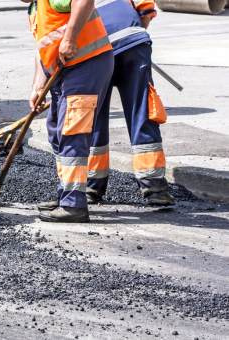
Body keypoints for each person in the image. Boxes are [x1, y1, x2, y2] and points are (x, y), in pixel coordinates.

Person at [24, 0, 114, 222]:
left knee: (72, 132)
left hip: (85, 64)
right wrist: (37, 88)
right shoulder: (36, 8)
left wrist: (71, 38)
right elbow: (43, 51)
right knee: (56, 129)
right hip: (65, 70)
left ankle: (74, 204)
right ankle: (66, 193)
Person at [82, 0, 175, 206]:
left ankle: (91, 186)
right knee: (141, 110)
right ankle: (155, 187)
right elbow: (146, 11)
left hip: (94, 49)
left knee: (94, 116)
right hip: (133, 42)